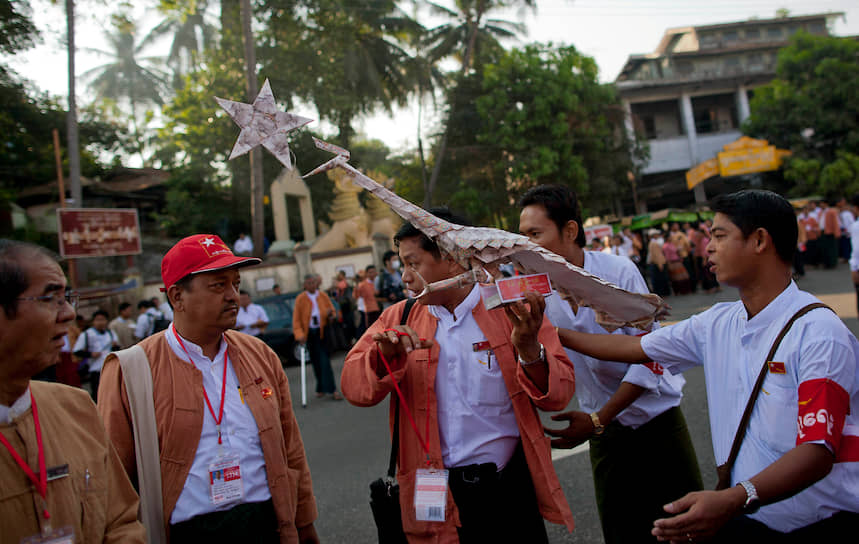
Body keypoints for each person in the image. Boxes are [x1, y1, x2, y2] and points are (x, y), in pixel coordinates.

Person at [557, 190, 859, 541]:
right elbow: (634, 347)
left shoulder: (819, 333)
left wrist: (734, 497)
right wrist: (553, 333)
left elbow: (816, 451)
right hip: (751, 520)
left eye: (719, 236)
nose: (708, 247)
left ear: (760, 240)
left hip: (821, 524)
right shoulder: (718, 322)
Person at [342, 209, 576, 543]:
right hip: (431, 487)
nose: (404, 277)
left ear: (453, 260)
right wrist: (383, 360)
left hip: (505, 488)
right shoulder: (398, 318)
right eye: (401, 265)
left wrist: (528, 350)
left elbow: (559, 394)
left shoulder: (512, 310)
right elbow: (353, 386)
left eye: (413, 263)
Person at [98, 234, 319, 542]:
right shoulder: (131, 370)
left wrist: (304, 523)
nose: (233, 296)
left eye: (236, 284)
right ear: (177, 297)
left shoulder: (260, 355)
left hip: (265, 523)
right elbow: (113, 480)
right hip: (186, 531)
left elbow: (291, 450)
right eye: (219, 285)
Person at [519, 185, 702, 544]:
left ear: (570, 231)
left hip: (656, 422)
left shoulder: (617, 271)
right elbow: (547, 366)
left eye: (535, 234)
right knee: (622, 531)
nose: (525, 245)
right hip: (603, 434)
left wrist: (599, 419)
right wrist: (528, 346)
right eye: (521, 236)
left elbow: (650, 355)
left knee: (687, 528)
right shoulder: (533, 289)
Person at [0, 239, 145, 543]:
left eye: (67, 298)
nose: (68, 314)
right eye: (50, 299)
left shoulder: (76, 407)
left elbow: (123, 521)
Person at [293, 274, 343, 400]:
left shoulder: (322, 295)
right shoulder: (301, 299)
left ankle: (332, 390)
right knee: (315, 361)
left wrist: (330, 315)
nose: (311, 285)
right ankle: (320, 387)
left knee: (324, 360)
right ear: (304, 285)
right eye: (309, 283)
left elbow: (332, 310)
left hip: (323, 332)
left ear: (317, 283)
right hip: (309, 333)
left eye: (313, 282)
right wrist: (299, 335)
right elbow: (297, 320)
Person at [73, 309, 119, 401]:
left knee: (112, 394)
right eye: (97, 320)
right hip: (95, 370)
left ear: (106, 321)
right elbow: (77, 351)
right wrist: (90, 354)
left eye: (102, 320)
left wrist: (114, 346)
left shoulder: (110, 333)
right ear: (93, 321)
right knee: (98, 395)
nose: (100, 322)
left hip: (110, 368)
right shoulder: (87, 334)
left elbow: (117, 349)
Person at [355, 264, 380, 333]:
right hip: (370, 311)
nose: (372, 274)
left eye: (374, 272)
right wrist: (356, 287)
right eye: (370, 272)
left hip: (381, 309)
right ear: (367, 274)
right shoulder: (362, 285)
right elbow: (356, 296)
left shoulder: (379, 282)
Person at [646, 230, 670, 296]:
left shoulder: (653, 242)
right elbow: (657, 255)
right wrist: (660, 264)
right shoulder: (654, 243)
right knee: (660, 279)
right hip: (657, 263)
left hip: (656, 263)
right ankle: (662, 293)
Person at [820, 198, 840, 269]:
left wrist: (837, 232)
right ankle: (826, 263)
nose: (821, 205)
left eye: (822, 203)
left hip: (830, 232)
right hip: (823, 231)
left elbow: (835, 222)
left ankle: (832, 263)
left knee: (831, 248)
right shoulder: (821, 212)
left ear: (826, 204)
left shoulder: (831, 211)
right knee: (825, 249)